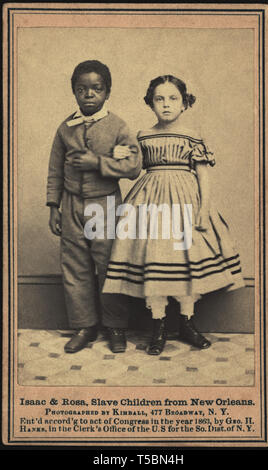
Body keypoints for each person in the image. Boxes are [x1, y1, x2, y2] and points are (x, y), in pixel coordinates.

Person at [103, 74, 245, 355]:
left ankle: (187, 323)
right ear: (150, 103)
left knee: (186, 261)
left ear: (184, 104)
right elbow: (134, 168)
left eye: (173, 98)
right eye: (159, 99)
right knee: (155, 259)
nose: (166, 105)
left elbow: (203, 174)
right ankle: (159, 327)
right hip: (149, 202)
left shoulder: (192, 135)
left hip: (185, 202)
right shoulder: (143, 135)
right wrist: (118, 154)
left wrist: (203, 210)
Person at [47, 60, 141, 353]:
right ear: (74, 92)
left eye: (96, 89)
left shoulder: (117, 127)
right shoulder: (66, 128)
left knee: (110, 266)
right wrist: (54, 205)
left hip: (106, 206)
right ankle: (84, 326)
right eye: (82, 89)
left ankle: (115, 326)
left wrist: (98, 163)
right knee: (75, 268)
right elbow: (54, 170)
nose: (89, 94)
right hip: (72, 204)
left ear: (107, 92)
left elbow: (133, 165)